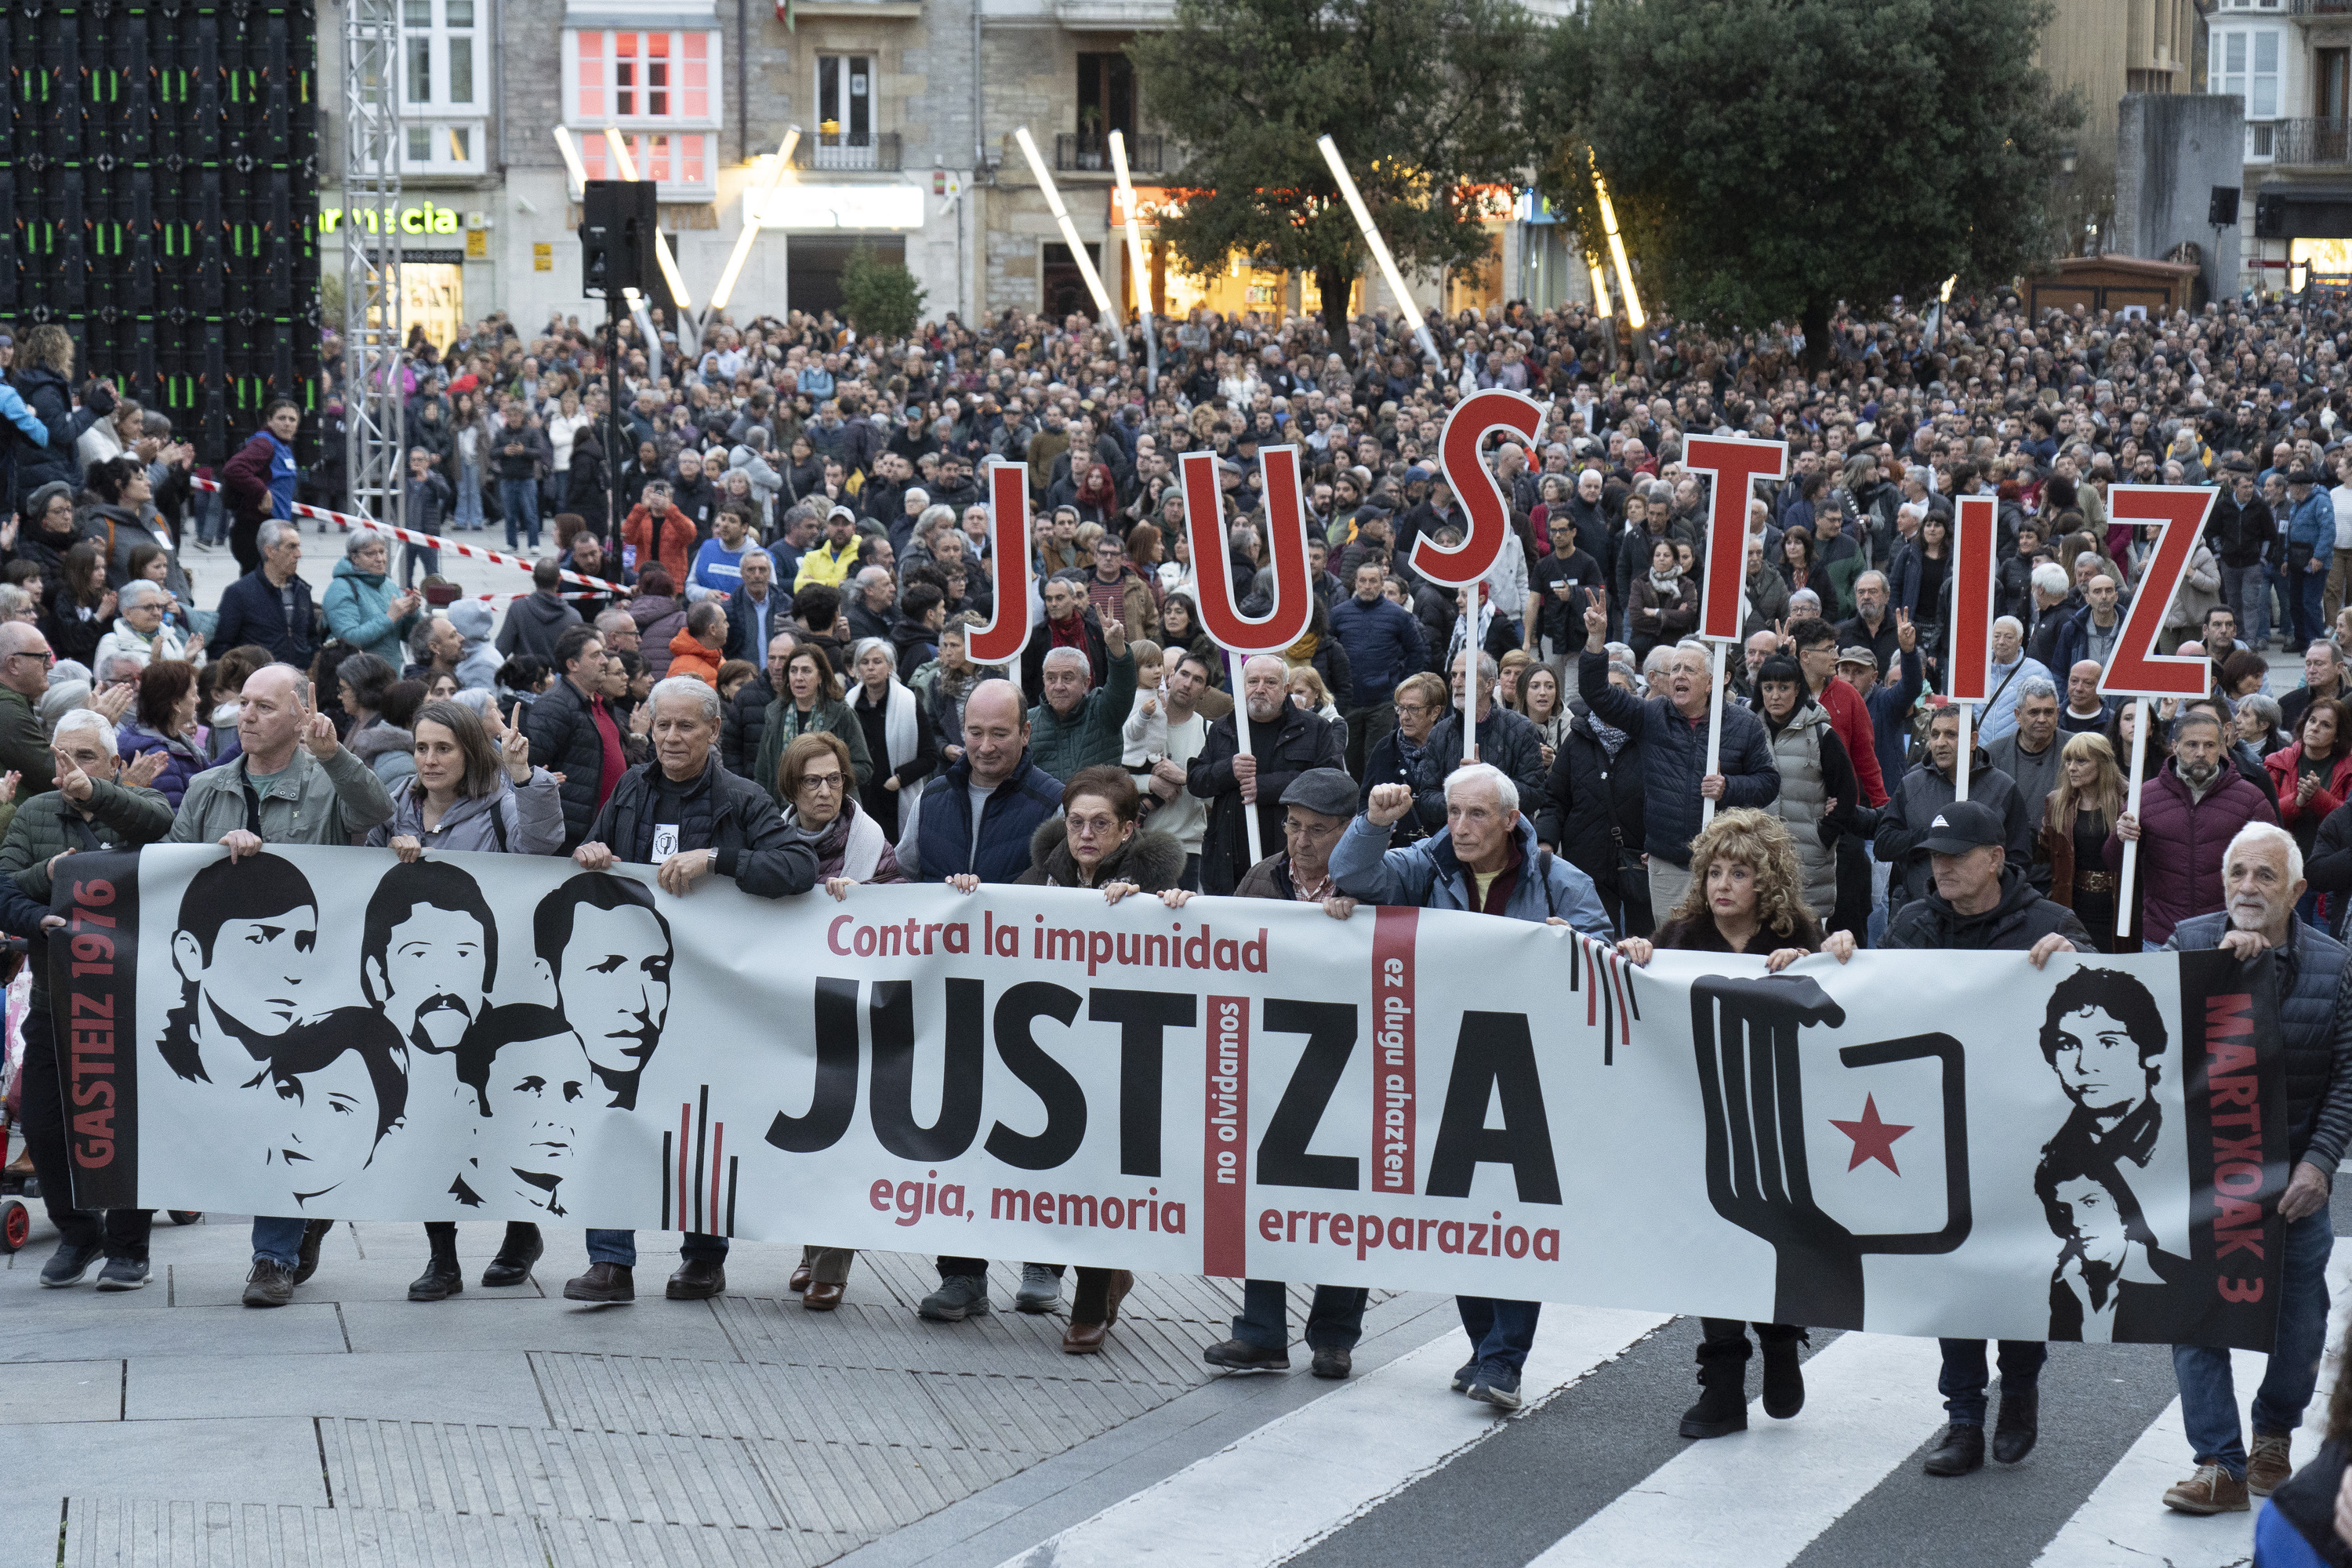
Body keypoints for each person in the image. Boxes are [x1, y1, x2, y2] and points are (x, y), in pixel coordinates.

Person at [1335, 763, 1611, 1410]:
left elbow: (1606, 953)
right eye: (1454, 812)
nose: (1461, 826)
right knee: (1459, 1212)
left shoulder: (1560, 880)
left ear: (1511, 820)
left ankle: (1505, 1360)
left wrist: (1575, 945)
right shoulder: (1425, 865)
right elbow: (1352, 874)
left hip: (1528, 1069)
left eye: (1477, 814)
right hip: (1447, 1062)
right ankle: (1485, 1344)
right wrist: (1373, 823)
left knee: (1514, 1214)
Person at [561, 677, 821, 1304]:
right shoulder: (630, 789)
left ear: (713, 731)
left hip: (709, 993)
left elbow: (799, 867)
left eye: (685, 726)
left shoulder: (742, 799)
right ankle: (610, 1262)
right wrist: (592, 851)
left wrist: (718, 861)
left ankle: (704, 1258)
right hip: (631, 990)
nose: (671, 737)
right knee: (614, 1113)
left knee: (703, 1122)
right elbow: (596, 847)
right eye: (662, 725)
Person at [1616, 808, 1857, 1437]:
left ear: (1766, 881)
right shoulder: (1679, 936)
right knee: (1711, 1245)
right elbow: (1644, 1001)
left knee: (1776, 1237)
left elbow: (1841, 1007)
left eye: (1739, 873)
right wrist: (1637, 954)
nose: (1723, 884)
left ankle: (1780, 1343)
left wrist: (1825, 959)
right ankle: (1722, 1383)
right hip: (1701, 1120)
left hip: (1780, 1120)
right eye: (1714, 871)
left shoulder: (1798, 932)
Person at [165, 663, 397, 1305]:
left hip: (306, 984)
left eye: (265, 706)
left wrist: (335, 755)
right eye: (243, 703)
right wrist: (217, 854)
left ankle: (272, 1259)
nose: (247, 715)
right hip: (225, 985)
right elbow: (170, 871)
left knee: (282, 1102)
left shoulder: (325, 781)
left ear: (300, 716)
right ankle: (301, 1223)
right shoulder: (208, 788)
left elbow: (377, 810)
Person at [1878, 797, 2090, 1477]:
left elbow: (2103, 1001)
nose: (1940, 869)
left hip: (2027, 1136)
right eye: (1932, 858)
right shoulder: (1912, 924)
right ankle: (1964, 1417)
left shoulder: (2050, 924)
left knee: (2022, 1271)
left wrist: (2078, 958)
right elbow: (1873, 1003)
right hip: (1939, 1132)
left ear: (1996, 859)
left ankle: (2020, 1388)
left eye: (1955, 856)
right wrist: (1842, 957)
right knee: (1955, 1272)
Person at [2160, 823, 2352, 1513]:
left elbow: (2348, 1077)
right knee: (2195, 1315)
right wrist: (2213, 975)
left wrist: (2321, 1164)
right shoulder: (2187, 943)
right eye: (2237, 873)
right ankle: (2219, 1463)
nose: (2247, 887)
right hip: (2204, 1178)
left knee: (2300, 1321)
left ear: (2296, 891)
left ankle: (2274, 1433)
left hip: (2293, 1177)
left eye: (2265, 876)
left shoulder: (2336, 964)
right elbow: (2151, 1052)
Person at [362, 702, 564, 1300]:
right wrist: (387, 847)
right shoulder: (397, 806)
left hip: (489, 992)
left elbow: (543, 844)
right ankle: (442, 1257)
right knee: (430, 1117)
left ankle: (521, 1233)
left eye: (443, 748)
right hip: (420, 1001)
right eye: (422, 748)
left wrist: (527, 779)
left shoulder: (500, 804)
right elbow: (362, 878)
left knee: (502, 1110)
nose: (429, 760)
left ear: (469, 752)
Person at [892, 678, 1067, 1319]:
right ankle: (961, 1274)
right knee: (957, 1131)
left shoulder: (1056, 803)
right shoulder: (933, 798)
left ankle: (1042, 1260)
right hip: (952, 994)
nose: (986, 746)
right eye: (975, 732)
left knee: (1036, 1129)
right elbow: (904, 875)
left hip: (1032, 998)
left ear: (1026, 733)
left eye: (1000, 733)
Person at [1207, 768, 1374, 1378]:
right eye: (1293, 826)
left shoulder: (1374, 881)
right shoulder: (1261, 879)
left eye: (1318, 831)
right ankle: (1261, 1332)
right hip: (1272, 1060)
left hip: (1352, 1063)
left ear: (1350, 830)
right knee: (1262, 1193)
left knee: (1349, 1200)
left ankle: (1334, 1336)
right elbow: (1222, 951)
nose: (1301, 842)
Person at [5, 709, 175, 1290]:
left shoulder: (138, 805)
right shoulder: (34, 812)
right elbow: (6, 887)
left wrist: (95, 795)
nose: (71, 768)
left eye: (86, 756)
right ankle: (79, 1233)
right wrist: (50, 878)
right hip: (55, 998)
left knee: (127, 1125)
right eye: (62, 756)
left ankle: (128, 1247)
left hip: (129, 1000)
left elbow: (157, 823)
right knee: (42, 1125)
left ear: (115, 763)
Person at [776, 730, 906, 1308]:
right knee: (806, 1132)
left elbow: (904, 903)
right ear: (792, 788)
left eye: (834, 779)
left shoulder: (872, 843)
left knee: (843, 1130)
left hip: (854, 1008)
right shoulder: (772, 837)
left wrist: (868, 898)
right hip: (792, 1002)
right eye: (812, 782)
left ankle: (832, 1264)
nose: (825, 791)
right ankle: (812, 1248)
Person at [1578, 595, 1780, 916]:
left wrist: (1728, 787)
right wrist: (1595, 641)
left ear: (1710, 682)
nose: (1679, 676)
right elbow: (1597, 694)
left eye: (1689, 669)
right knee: (1673, 941)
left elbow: (1768, 783)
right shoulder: (1651, 715)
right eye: (1674, 669)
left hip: (1725, 864)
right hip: (1669, 864)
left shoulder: (1743, 724)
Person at [2109, 709, 2279, 949]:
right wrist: (2120, 838)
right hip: (2163, 937)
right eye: (2192, 744)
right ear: (2175, 746)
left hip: (2228, 937)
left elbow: (2276, 862)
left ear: (2221, 746)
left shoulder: (2250, 799)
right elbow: (2114, 861)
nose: (2201, 753)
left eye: (2210, 745)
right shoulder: (2144, 797)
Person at [1189, 651, 1346, 895]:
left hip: (1288, 863)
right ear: (1242, 686)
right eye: (1253, 681)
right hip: (1227, 866)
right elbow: (1196, 781)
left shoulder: (1314, 728)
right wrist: (1228, 770)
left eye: (1270, 682)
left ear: (1286, 689)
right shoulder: (1224, 727)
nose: (1260, 689)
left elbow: (1332, 782)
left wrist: (1265, 787)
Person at [1878, 705, 2032, 923]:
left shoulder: (2002, 787)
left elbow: (2020, 859)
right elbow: (1883, 844)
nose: (1940, 743)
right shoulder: (1911, 784)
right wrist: (1934, 838)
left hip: (1985, 919)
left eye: (1950, 735)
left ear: (1973, 740)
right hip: (1921, 917)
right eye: (1935, 735)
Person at [1750, 653, 1865, 924]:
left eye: (1784, 687)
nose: (1775, 696)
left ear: (1797, 689)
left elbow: (1847, 792)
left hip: (1807, 856)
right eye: (1768, 687)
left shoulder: (1821, 733)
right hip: (1755, 854)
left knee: (1804, 935)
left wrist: (1822, 836)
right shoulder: (1749, 730)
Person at [1329, 557, 1428, 776]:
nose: (1367, 586)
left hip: (1383, 701)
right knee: (1350, 761)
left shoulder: (1398, 615)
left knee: (1377, 759)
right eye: (1363, 581)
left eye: (1373, 581)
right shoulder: (1338, 614)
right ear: (1355, 583)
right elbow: (1326, 652)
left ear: (1382, 584)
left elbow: (1416, 650)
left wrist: (1402, 686)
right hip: (1348, 701)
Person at [524, 626, 619, 852]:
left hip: (603, 828)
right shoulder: (554, 705)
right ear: (572, 664)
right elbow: (532, 768)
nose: (605, 661)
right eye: (596, 655)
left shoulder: (601, 702)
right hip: (572, 837)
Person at [2040, 731, 2133, 952]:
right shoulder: (2057, 802)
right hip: (2074, 902)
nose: (2071, 767)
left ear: (2102, 763)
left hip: (2118, 905)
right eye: (2068, 760)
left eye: (2081, 761)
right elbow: (2043, 852)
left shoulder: (2130, 799)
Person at [753, 643, 873, 804]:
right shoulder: (775, 714)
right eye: (793, 670)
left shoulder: (842, 714)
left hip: (831, 805)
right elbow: (762, 773)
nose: (799, 677)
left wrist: (831, 778)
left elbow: (864, 767)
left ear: (820, 677)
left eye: (806, 671)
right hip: (784, 809)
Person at [2269, 697, 2352, 927]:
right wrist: (2298, 801)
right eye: (2312, 720)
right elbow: (2265, 816)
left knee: (2324, 944)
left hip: (2331, 878)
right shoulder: (2277, 762)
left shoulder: (2349, 769)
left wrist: (2319, 799)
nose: (2315, 727)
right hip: (2287, 875)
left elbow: (2347, 821)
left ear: (2337, 736)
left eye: (2325, 725)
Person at [1028, 615, 1138, 783]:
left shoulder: (1104, 711)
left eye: (1067, 678)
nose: (1058, 686)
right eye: (1051, 678)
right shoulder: (1028, 723)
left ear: (1086, 682)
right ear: (1043, 680)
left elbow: (1123, 686)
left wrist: (1117, 648)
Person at [848, 636, 935, 839]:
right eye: (864, 662)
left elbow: (930, 756)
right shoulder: (849, 704)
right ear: (857, 668)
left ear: (890, 667)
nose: (871, 667)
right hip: (859, 800)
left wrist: (899, 779)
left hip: (895, 802)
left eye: (877, 662)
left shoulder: (908, 702)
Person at [1989, 678, 2065, 892]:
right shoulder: (1993, 754)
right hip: (2006, 874)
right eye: (2034, 712)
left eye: (2049, 712)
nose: (2042, 719)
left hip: (2059, 875)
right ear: (2017, 715)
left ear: (2058, 713)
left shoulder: (2075, 750)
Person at [211, 521, 319, 670]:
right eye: (291, 547)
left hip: (297, 679)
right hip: (258, 680)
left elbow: (311, 639)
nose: (298, 554)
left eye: (298, 547)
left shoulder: (302, 591)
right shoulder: (239, 593)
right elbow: (220, 648)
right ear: (270, 551)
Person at [220, 397, 300, 572]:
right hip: (255, 530)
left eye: (292, 419)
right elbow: (233, 469)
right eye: (281, 418)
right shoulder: (264, 443)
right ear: (269, 420)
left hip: (274, 528)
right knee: (258, 585)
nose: (287, 423)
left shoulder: (283, 445)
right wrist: (263, 492)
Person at [115, 659, 209, 808]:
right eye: (194, 694)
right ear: (176, 703)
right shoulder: (159, 757)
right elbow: (174, 816)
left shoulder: (175, 741)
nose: (198, 700)